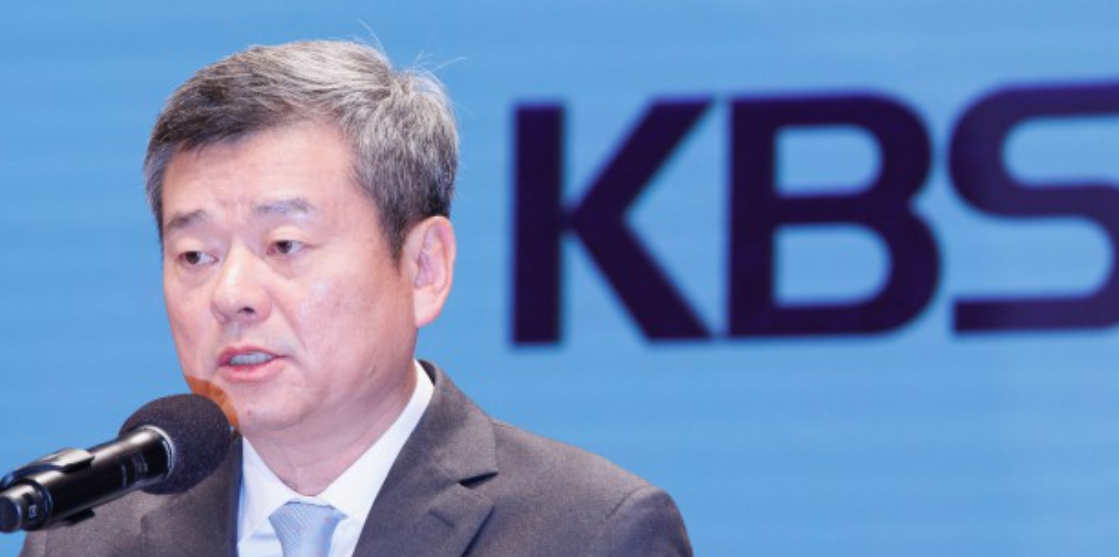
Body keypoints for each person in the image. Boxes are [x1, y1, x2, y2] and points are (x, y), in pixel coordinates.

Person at [19, 40, 692, 557]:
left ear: (424, 267)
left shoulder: (589, 531)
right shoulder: (83, 540)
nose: (232, 294)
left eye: (284, 245)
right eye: (196, 255)